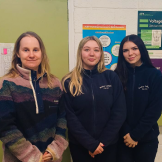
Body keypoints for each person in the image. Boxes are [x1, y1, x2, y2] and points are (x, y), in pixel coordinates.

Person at [0, 31, 68, 162]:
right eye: (26, 50)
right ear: (18, 54)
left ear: (42, 53)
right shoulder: (6, 84)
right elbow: (5, 127)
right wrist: (34, 156)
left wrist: (55, 149)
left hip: (51, 158)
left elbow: (62, 119)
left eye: (35, 50)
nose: (31, 55)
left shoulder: (54, 83)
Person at [61, 36, 126, 162]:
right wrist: (90, 144)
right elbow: (69, 117)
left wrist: (102, 143)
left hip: (108, 146)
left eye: (96, 50)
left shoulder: (111, 77)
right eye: (87, 49)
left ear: (101, 53)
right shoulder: (69, 81)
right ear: (80, 52)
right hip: (80, 146)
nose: (92, 54)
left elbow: (119, 112)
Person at [115, 34, 162, 162]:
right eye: (125, 50)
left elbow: (155, 109)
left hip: (147, 139)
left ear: (141, 49)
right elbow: (115, 108)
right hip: (122, 138)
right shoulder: (117, 75)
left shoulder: (155, 75)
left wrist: (135, 135)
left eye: (134, 48)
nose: (130, 53)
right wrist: (127, 134)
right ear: (122, 53)